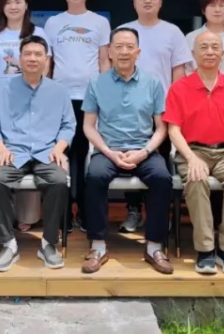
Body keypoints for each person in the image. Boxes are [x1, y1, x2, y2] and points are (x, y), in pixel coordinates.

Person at [81, 27, 173, 275]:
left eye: (129, 47)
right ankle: (98, 246)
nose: (124, 52)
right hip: (108, 150)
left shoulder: (153, 83)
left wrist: (144, 151)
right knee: (95, 176)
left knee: (162, 178)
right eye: (118, 47)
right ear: (109, 52)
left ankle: (154, 246)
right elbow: (88, 126)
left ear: (138, 52)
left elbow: (161, 128)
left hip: (144, 149)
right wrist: (108, 152)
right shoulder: (96, 83)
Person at [165, 31, 224, 276]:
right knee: (196, 180)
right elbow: (173, 130)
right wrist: (191, 158)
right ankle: (205, 250)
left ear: (223, 54)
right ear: (193, 54)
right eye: (204, 47)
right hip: (193, 150)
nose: (210, 52)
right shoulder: (179, 87)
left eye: (215, 47)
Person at [0, 35, 73, 273]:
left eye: (38, 54)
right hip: (12, 152)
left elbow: (68, 125)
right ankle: (8, 243)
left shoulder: (59, 91)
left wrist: (59, 147)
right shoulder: (2, 89)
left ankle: (48, 243)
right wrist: (1, 148)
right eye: (27, 54)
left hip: (47, 152)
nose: (32, 58)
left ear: (46, 59)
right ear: (20, 58)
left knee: (58, 181)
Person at [118, 0, 192, 233]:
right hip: (128, 108)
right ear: (134, 2)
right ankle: (133, 210)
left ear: (160, 2)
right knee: (128, 159)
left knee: (160, 164)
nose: (147, 0)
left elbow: (178, 74)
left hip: (162, 110)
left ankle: (159, 213)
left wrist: (173, 107)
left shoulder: (172, 32)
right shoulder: (124, 31)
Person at [44, 0, 112, 233]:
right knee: (60, 154)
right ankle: (62, 215)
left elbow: (104, 60)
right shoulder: (53, 23)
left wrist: (105, 94)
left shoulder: (100, 22)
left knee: (84, 156)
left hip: (89, 98)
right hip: (59, 98)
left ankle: (84, 212)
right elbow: (48, 61)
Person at [0, 0, 49, 232]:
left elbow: (46, 66)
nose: (13, 6)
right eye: (8, 2)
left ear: (26, 5)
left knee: (30, 150)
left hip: (32, 100)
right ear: (2, 6)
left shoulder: (38, 32)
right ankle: (2, 216)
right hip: (1, 101)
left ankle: (28, 215)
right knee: (4, 155)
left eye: (18, 1)